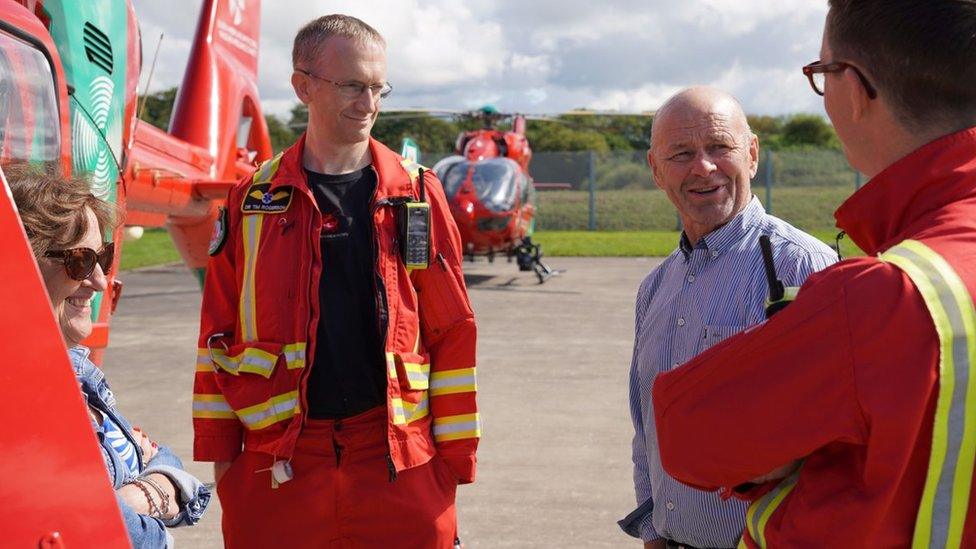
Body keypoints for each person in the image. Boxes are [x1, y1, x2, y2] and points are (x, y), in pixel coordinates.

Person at [652, 1, 976, 547]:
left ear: (852, 90)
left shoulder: (881, 294)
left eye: (821, 74)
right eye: (681, 153)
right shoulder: (658, 285)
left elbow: (686, 435)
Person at [192, 14, 478, 548]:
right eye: (351, 85)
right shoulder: (252, 200)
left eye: (377, 87)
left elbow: (454, 330)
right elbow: (217, 335)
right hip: (277, 468)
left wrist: (452, 464)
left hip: (399, 463)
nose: (368, 103)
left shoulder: (416, 194)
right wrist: (225, 466)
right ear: (303, 86)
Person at [618, 87, 836, 549]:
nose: (703, 167)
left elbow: (838, 448)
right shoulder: (655, 288)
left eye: (720, 147)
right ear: (656, 171)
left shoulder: (804, 268)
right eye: (681, 153)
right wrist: (654, 531)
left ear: (752, 154)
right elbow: (647, 432)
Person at [7, 163, 210, 548]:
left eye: (104, 257)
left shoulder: (79, 372)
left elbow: (166, 459)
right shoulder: (19, 401)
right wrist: (151, 498)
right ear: (19, 263)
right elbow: (123, 537)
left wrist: (128, 500)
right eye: (79, 261)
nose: (100, 280)